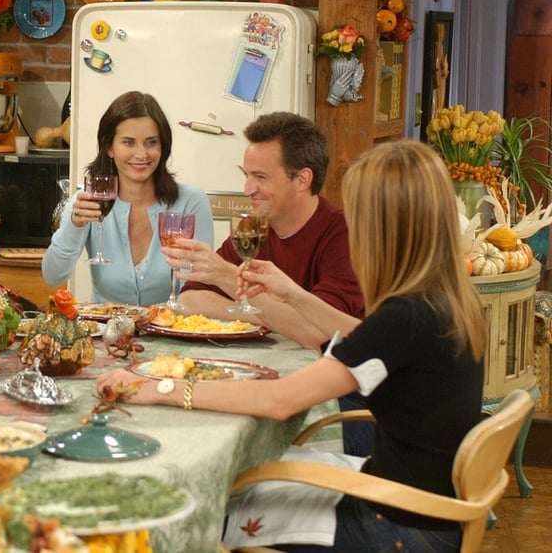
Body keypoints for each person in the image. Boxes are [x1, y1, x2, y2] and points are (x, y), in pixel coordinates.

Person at [98, 141, 486, 552]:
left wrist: (158, 389)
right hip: (426, 511)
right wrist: (292, 293)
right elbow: (362, 337)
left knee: (209, 508)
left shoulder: (404, 317)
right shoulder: (445, 301)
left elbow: (280, 400)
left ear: (384, 228)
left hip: (394, 528)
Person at [174, 112, 363, 349]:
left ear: (302, 180)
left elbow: (318, 333)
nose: (247, 189)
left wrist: (228, 278)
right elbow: (189, 301)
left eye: (260, 177)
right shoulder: (252, 228)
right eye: (246, 175)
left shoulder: (344, 235)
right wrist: (271, 316)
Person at [42, 91, 213, 304]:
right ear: (109, 147)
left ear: (163, 146)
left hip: (171, 331)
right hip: (105, 333)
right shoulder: (88, 202)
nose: (141, 154)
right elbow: (52, 276)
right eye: (129, 143)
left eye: (151, 142)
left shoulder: (191, 202)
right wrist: (74, 227)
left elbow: (200, 285)